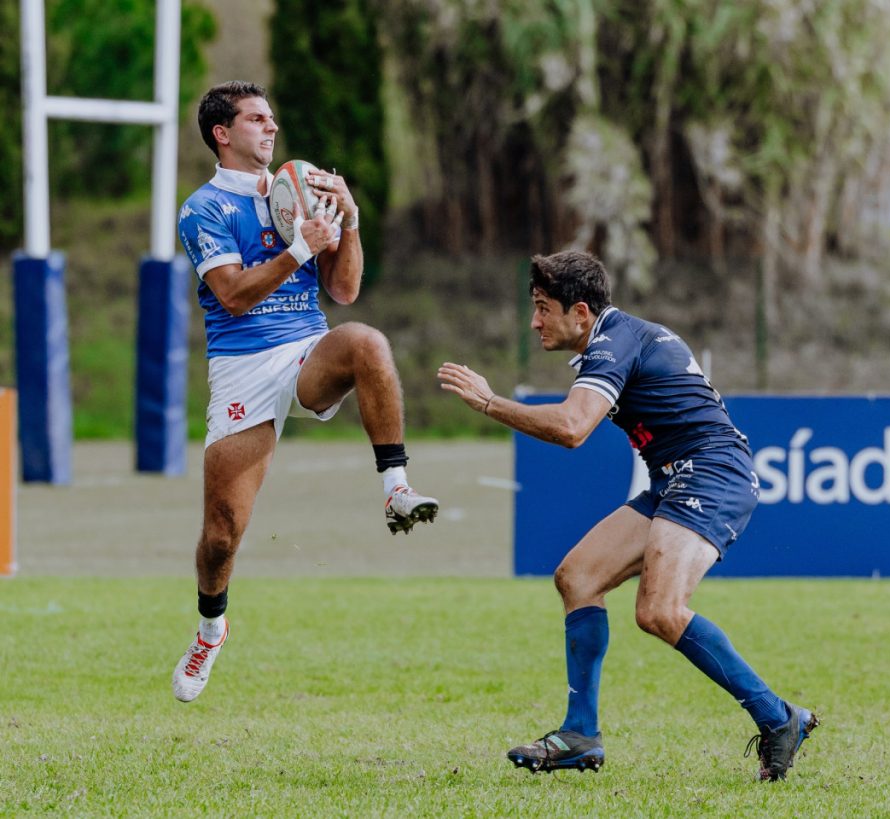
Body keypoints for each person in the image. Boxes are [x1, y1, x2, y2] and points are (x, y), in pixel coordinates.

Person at [437, 251, 817, 781]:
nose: (535, 322)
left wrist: (488, 403)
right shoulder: (618, 338)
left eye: (544, 309)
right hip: (675, 478)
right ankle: (580, 733)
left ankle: (779, 718)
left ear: (583, 312)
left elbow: (573, 427)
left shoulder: (615, 342)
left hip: (711, 474)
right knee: (578, 576)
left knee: (659, 611)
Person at [172, 80, 438, 703]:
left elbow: (343, 291)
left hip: (305, 349)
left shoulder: (300, 187)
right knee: (221, 533)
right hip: (242, 364)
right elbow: (234, 296)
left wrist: (347, 219)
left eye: (273, 119)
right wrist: (299, 249)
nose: (271, 128)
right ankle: (212, 628)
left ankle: (395, 488)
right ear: (222, 133)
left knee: (367, 340)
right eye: (257, 120)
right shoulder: (202, 209)